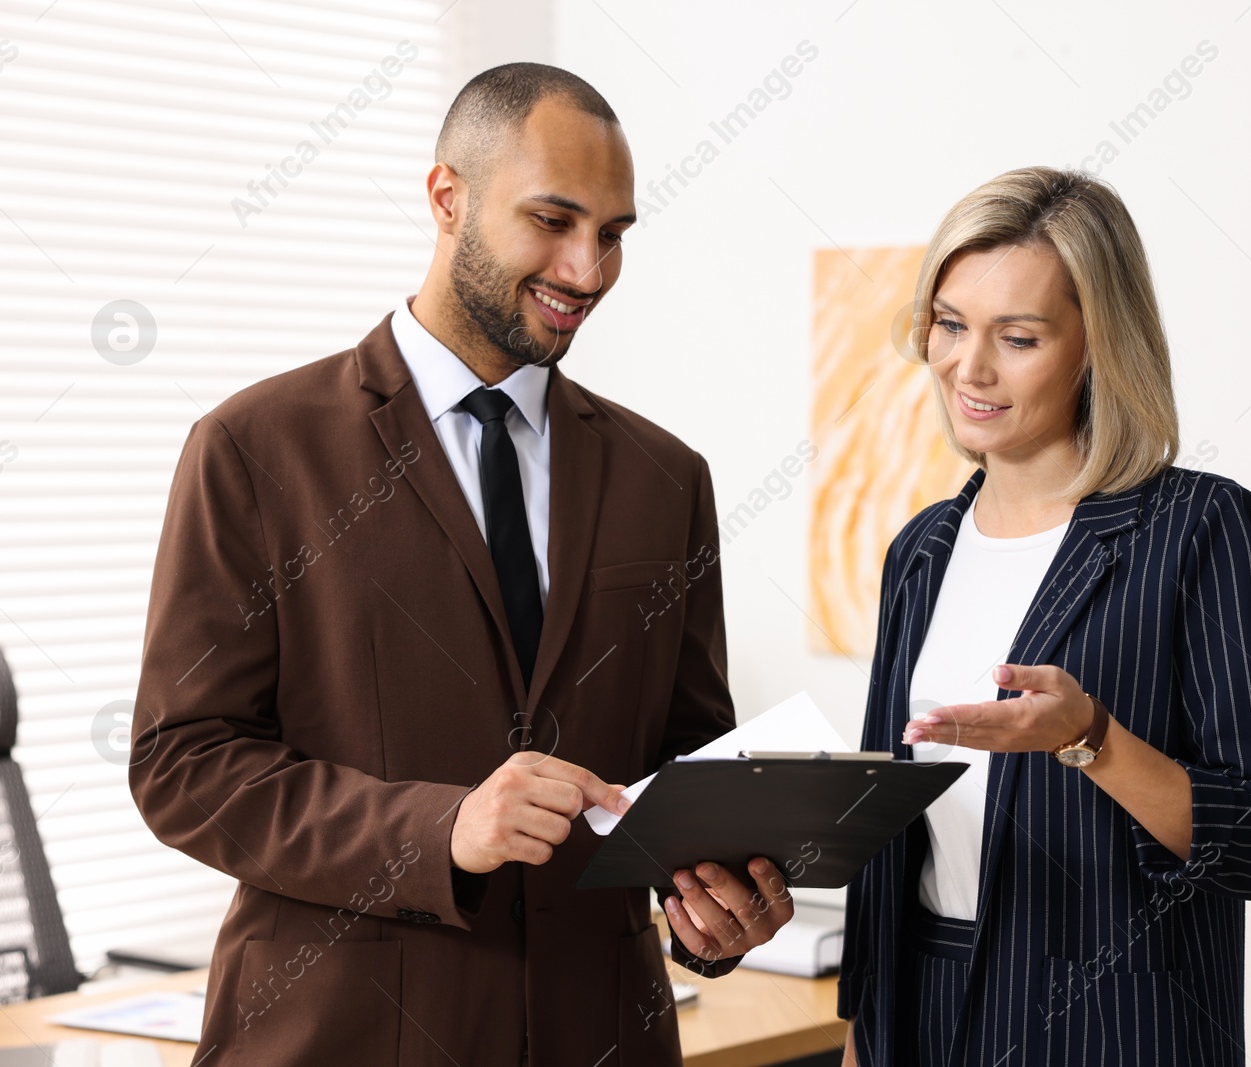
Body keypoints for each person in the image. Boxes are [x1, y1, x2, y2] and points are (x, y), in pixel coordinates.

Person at [129, 63, 792, 1067]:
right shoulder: (257, 448)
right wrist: (441, 826)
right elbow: (185, 762)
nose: (587, 268)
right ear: (447, 197)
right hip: (336, 1035)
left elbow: (683, 764)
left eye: (612, 233)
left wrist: (715, 900)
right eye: (553, 219)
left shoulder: (667, 476)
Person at [837, 166, 1251, 1066]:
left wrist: (1090, 737)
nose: (968, 368)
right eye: (949, 324)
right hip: (920, 1007)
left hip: (1112, 1025)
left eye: (1017, 337)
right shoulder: (922, 548)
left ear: (1096, 343)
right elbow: (883, 822)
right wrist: (861, 1026)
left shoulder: (1197, 527)